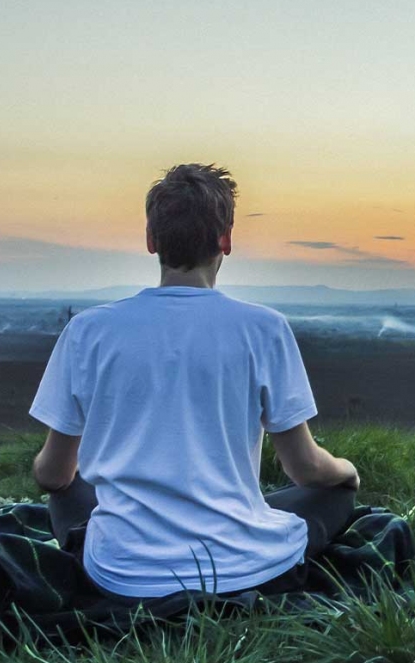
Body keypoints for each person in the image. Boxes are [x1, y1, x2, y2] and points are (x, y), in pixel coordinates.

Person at [28, 163, 359, 603]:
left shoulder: (88, 331)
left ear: (151, 241)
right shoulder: (264, 328)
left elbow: (52, 475)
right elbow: (306, 470)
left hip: (122, 575)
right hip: (244, 569)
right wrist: (347, 471)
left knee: (68, 490)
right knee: (333, 495)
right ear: (225, 239)